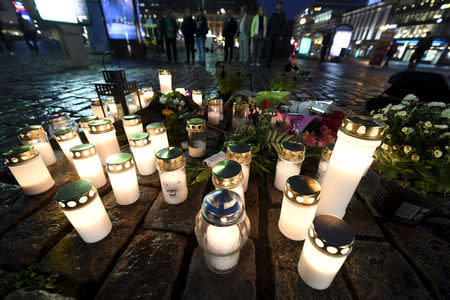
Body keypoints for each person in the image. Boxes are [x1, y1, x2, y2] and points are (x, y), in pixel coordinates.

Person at [267, 1, 286, 68]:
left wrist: (281, 35)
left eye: (280, 6)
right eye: (278, 5)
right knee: (270, 48)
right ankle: (268, 62)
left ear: (282, 7)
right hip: (271, 34)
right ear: (276, 6)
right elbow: (269, 24)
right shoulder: (273, 15)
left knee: (275, 48)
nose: (279, 7)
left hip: (278, 35)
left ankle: (272, 61)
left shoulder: (283, 15)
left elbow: (284, 26)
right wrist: (268, 34)